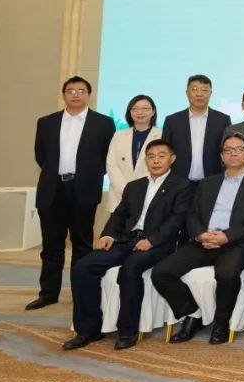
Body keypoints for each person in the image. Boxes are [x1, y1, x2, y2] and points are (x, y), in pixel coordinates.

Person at [64, 139, 191, 350]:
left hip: (158, 244)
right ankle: (88, 329)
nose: (156, 161)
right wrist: (108, 235)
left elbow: (176, 220)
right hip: (126, 240)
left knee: (130, 268)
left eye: (161, 156)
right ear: (145, 160)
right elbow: (119, 215)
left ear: (172, 159)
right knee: (83, 266)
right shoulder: (135, 186)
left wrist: (152, 240)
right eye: (151, 157)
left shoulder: (182, 186)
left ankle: (127, 330)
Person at [151, 133, 244, 345]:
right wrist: (200, 234)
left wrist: (227, 236)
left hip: (236, 243)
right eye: (228, 150)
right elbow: (192, 214)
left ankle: (221, 322)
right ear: (221, 156)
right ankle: (193, 314)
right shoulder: (207, 183)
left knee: (226, 274)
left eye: (238, 149)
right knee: (161, 272)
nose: (233, 154)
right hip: (204, 241)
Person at [28, 76, 116, 310]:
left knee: (82, 244)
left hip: (84, 189)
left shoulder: (103, 123)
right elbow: (41, 156)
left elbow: (107, 158)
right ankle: (48, 293)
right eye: (71, 90)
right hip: (52, 189)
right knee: (51, 245)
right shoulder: (46, 122)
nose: (76, 94)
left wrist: (87, 176)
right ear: (64, 94)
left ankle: (81, 293)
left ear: (89, 95)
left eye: (81, 91)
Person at [160, 74, 231, 186]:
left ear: (210, 93)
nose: (199, 94)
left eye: (204, 90)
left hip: (213, 180)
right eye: (194, 89)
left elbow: (227, 150)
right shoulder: (172, 121)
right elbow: (164, 151)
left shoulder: (223, 120)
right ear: (187, 93)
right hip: (179, 181)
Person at [105, 94, 161, 214]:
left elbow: (161, 167)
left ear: (153, 112)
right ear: (129, 112)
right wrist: (127, 190)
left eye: (145, 108)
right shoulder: (118, 136)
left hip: (150, 196)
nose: (140, 112)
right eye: (135, 109)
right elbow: (111, 165)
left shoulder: (162, 136)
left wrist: (140, 190)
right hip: (119, 196)